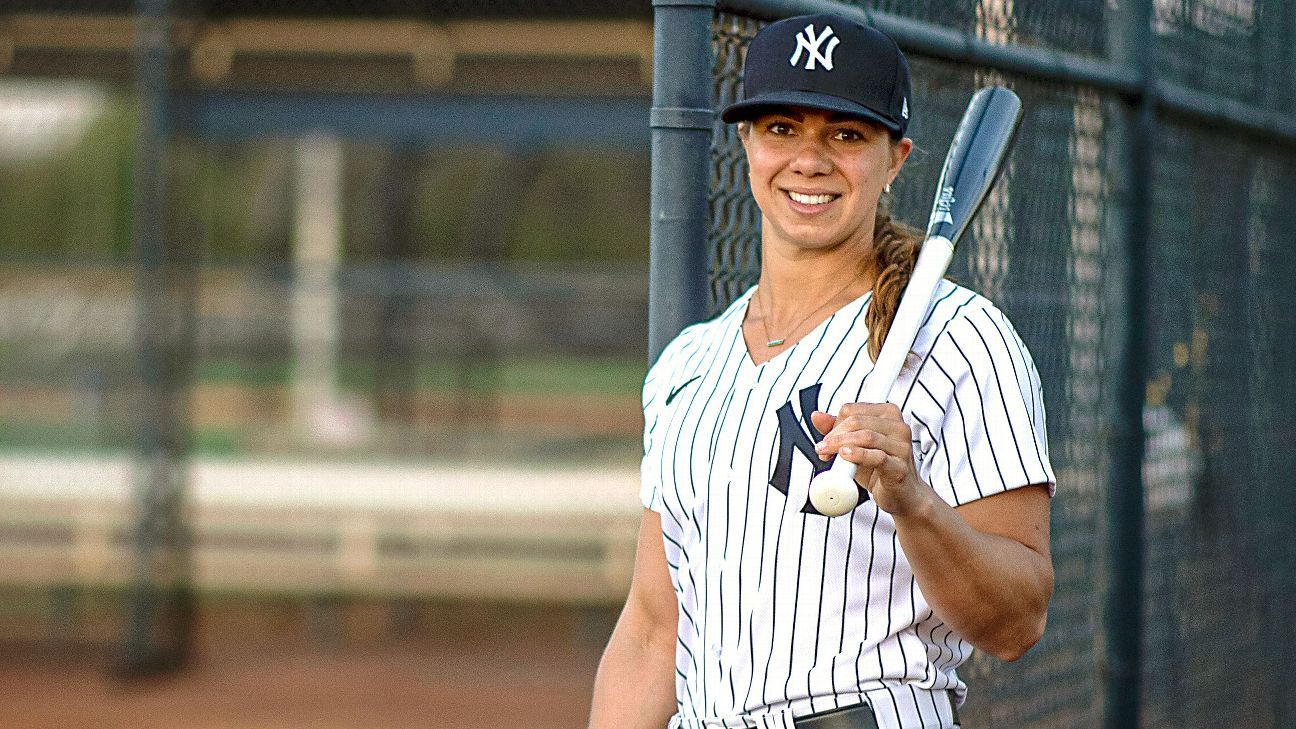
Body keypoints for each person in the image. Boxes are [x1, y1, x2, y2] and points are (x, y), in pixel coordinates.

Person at [589, 13, 1055, 729]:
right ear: (744, 142)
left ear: (895, 158)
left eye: (845, 134)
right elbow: (653, 630)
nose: (810, 159)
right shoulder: (688, 364)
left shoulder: (958, 337)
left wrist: (910, 498)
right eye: (781, 127)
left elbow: (1017, 619)